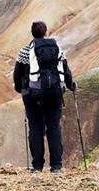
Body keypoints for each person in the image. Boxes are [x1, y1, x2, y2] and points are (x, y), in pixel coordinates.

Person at [13, 21, 75, 173]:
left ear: (32, 33)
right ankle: (56, 166)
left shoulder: (25, 51)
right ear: (46, 33)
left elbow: (17, 74)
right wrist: (71, 85)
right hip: (54, 94)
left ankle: (38, 165)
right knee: (54, 127)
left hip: (32, 96)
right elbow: (66, 70)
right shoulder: (57, 49)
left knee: (35, 128)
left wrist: (19, 88)